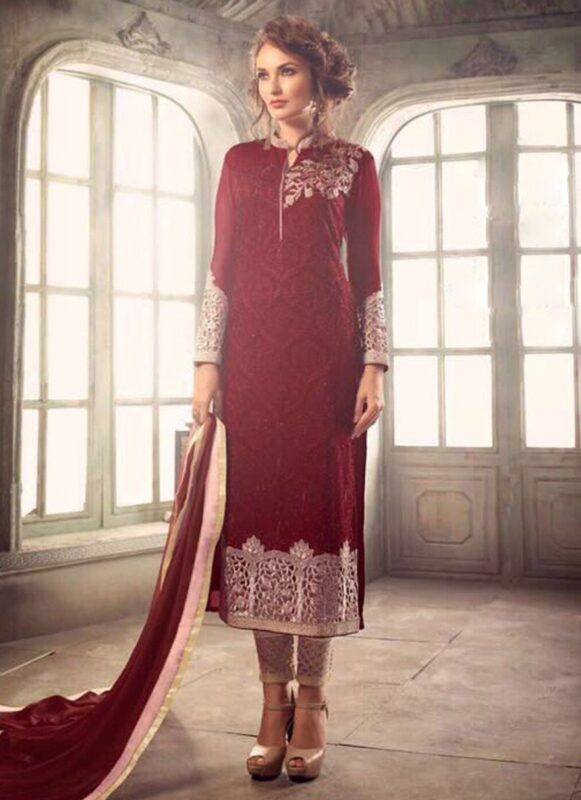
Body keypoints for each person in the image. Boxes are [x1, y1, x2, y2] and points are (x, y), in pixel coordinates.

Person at [192, 14, 389, 783]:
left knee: (318, 523)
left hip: (327, 368)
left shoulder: (353, 165)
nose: (273, 87)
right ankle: (270, 702)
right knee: (260, 524)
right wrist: (207, 361)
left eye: (287, 72)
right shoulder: (239, 163)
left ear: (318, 79)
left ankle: (313, 702)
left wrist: (374, 365)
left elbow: (367, 274)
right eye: (264, 74)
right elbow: (220, 269)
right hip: (251, 369)